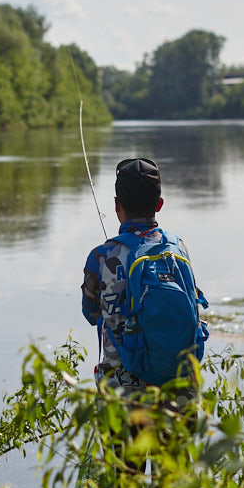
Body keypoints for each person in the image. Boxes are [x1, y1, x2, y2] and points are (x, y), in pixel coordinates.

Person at [80, 157, 202, 408]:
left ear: (117, 205)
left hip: (121, 396)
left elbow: (91, 314)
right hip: (179, 392)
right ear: (159, 204)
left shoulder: (101, 256)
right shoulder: (178, 249)